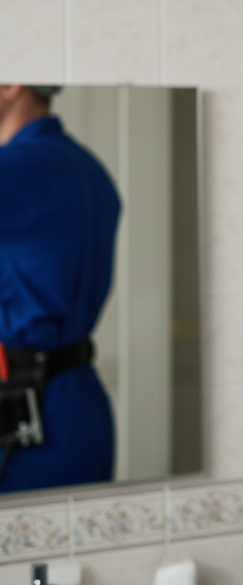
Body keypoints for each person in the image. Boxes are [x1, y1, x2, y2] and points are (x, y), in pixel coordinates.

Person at [0, 84, 118, 491]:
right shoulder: (88, 168)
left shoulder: (15, 169)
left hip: (24, 409)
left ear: (12, 85)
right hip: (78, 401)